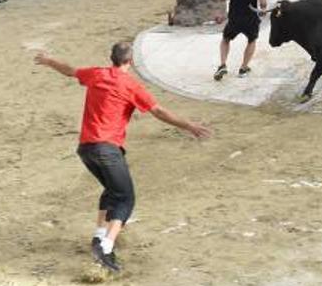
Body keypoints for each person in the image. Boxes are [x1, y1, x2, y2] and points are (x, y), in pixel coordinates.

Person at [34, 43, 210, 273]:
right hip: (107, 150)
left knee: (111, 190)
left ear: (111, 58)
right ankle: (106, 247)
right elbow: (158, 112)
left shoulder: (97, 74)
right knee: (126, 198)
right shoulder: (130, 85)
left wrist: (49, 60)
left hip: (86, 149)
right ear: (131, 62)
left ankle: (99, 236)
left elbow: (70, 70)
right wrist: (188, 125)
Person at [214, 0, 267, 81]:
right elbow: (263, 2)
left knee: (226, 39)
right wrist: (263, 9)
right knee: (252, 40)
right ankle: (243, 67)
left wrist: (219, 13)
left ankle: (222, 64)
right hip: (250, 19)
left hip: (234, 18)